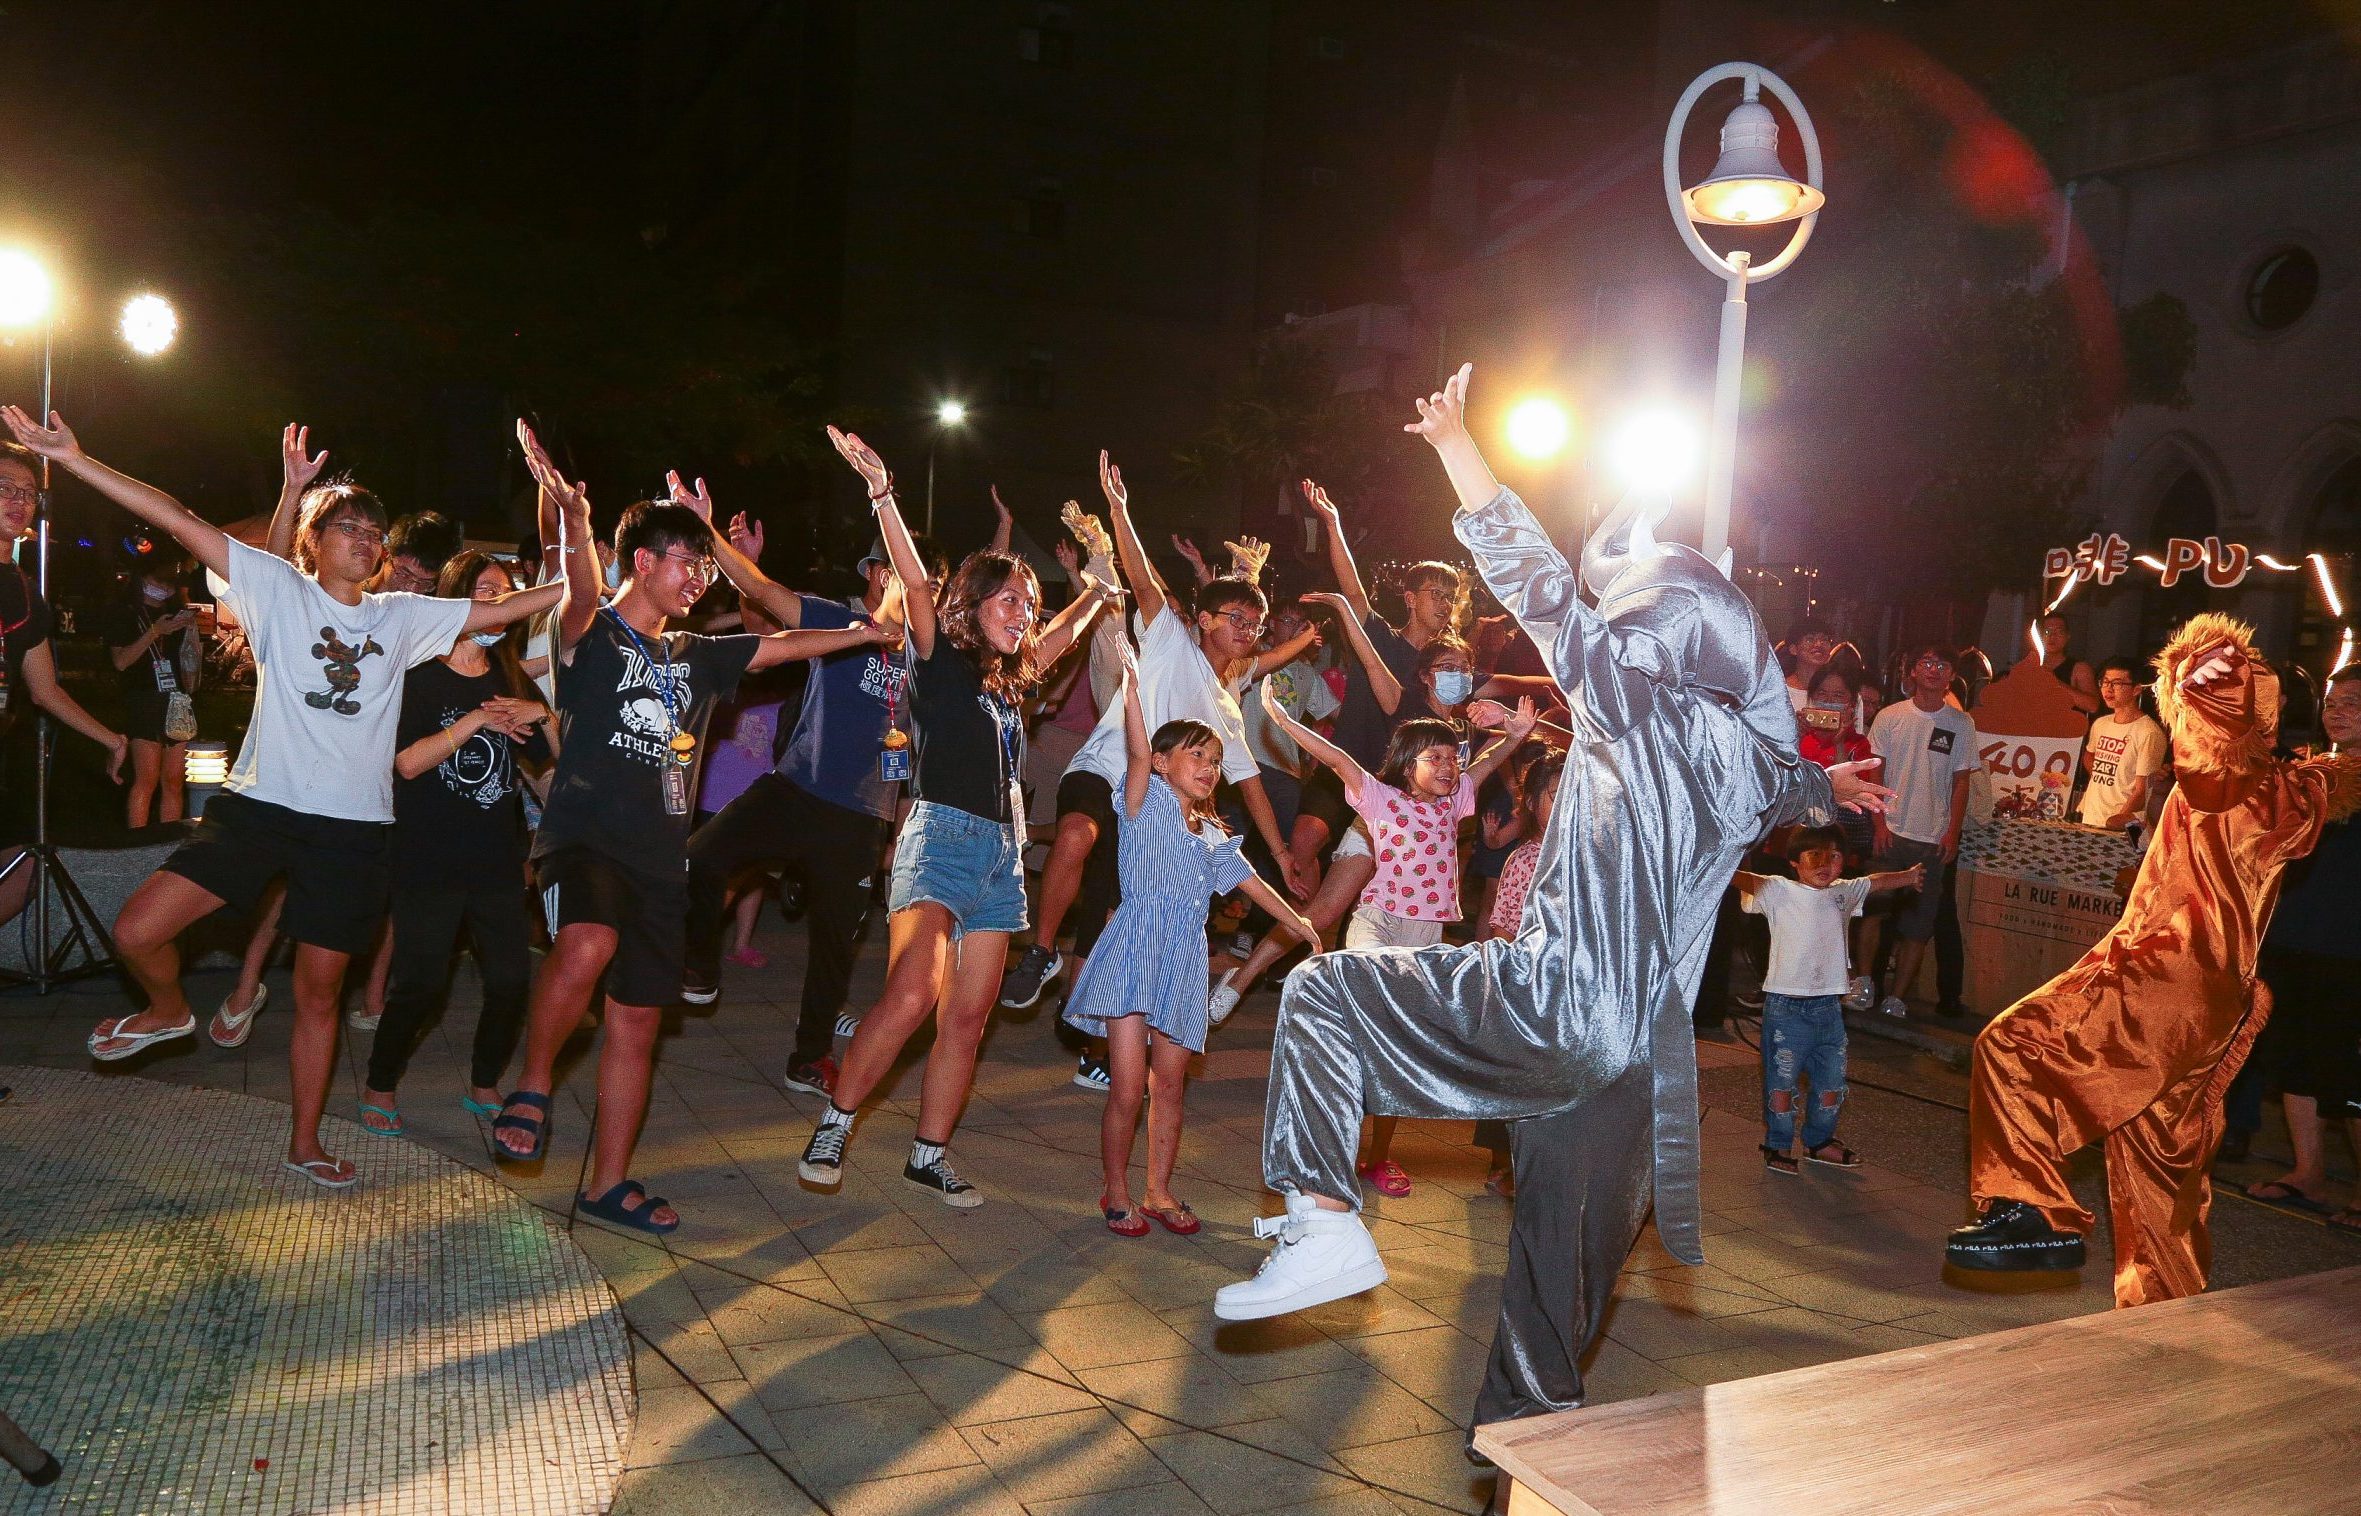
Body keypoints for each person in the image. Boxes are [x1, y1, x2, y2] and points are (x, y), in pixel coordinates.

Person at [1211, 366, 1886, 1459]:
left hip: (1563, 1002)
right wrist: (1836, 785)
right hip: (1637, 1069)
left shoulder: (1636, 703)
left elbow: (1539, 592)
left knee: (1326, 994)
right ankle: (1526, 1466)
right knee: (1552, 1305)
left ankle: (1325, 1223)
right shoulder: (1757, 766)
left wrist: (1456, 447)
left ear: (1660, 647)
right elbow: (1801, 782)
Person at [7, 406, 560, 1190]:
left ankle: (305, 1141)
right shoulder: (273, 589)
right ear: (311, 542)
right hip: (257, 809)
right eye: (348, 529)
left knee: (320, 995)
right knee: (136, 930)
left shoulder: (403, 617)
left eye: (374, 532)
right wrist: (79, 458)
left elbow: (505, 610)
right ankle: (167, 1010)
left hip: (355, 831)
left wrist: (595, 566)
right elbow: (172, 513)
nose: (366, 541)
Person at [491, 430, 902, 1233]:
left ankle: (608, 1185)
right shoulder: (591, 635)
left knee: (637, 1026)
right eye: (689, 562)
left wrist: (863, 634)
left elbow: (780, 645)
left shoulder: (695, 654)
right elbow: (578, 585)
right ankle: (533, 1081)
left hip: (659, 863)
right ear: (643, 563)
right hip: (582, 837)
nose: (699, 578)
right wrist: (574, 522)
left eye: (706, 566)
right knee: (584, 945)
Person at [1949, 619, 2360, 1300]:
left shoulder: (2225, 773)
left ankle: (2030, 1217)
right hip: (2212, 998)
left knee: (2011, 1045)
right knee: (2159, 1158)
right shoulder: (2292, 786)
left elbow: (2215, 725)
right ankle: (2164, 1309)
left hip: (2162, 976)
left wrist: (2196, 666)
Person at [795, 426, 1113, 1208]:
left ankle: (928, 1153)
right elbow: (909, 571)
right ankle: (837, 1121)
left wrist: (1101, 588)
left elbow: (1061, 638)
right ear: (973, 603)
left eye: (1029, 602)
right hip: (938, 838)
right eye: (1011, 598)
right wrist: (883, 493)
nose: (1024, 611)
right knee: (913, 992)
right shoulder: (938, 659)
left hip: (1000, 858)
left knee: (967, 1022)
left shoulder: (1010, 681)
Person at [997, 453, 1299, 1094]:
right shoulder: (1171, 642)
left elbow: (1248, 785)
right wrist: (1121, 511)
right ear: (1207, 620)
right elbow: (1142, 581)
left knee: (1109, 931)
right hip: (1103, 770)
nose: (1247, 632)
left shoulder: (1225, 710)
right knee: (1075, 832)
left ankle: (1091, 1033)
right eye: (1235, 620)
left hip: (1145, 820)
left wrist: (1279, 853)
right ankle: (1041, 951)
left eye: (1256, 624)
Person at [675, 505, 943, 1097]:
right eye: (909, 574)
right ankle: (699, 964)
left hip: (862, 818)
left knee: (834, 944)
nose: (925, 590)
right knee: (699, 856)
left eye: (934, 584)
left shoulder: (929, 658)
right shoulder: (834, 620)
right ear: (879, 576)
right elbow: (762, 592)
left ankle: (810, 1055)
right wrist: (709, 534)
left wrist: (898, 827)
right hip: (794, 789)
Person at [1064, 655, 1318, 1235]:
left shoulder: (1212, 834)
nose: (1208, 767)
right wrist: (1131, 691)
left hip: (1181, 960)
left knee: (1170, 1083)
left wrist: (1299, 922)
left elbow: (1252, 885)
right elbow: (1132, 753)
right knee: (1127, 1086)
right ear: (1161, 762)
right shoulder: (1141, 804)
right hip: (1133, 953)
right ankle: (1116, 1189)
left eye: (1215, 760)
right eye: (1195, 756)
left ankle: (1157, 1189)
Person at [1259, 682, 1540, 1196]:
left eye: (1452, 757)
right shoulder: (1381, 799)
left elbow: (1483, 762)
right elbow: (1339, 759)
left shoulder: (1453, 804)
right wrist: (1283, 720)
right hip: (1378, 920)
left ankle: (1378, 1155)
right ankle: (1332, 1130)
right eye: (1436, 758)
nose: (1450, 766)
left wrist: (1515, 736)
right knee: (1364, 1006)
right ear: (1409, 764)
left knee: (1396, 1045)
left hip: (1425, 932)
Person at [357, 551, 553, 1135]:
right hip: (427, 857)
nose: (500, 604)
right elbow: (408, 763)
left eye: (508, 593)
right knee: (421, 983)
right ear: (456, 601)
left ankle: (485, 1083)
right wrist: (473, 721)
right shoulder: (416, 673)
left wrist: (542, 716)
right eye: (486, 592)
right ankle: (380, 1084)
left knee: (511, 981)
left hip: (496, 857)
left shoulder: (511, 675)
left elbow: (541, 772)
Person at [2241, 662, 2361, 1232]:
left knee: (2348, 1071)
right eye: (2334, 701)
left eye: (2354, 703)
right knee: (2293, 1060)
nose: (2339, 710)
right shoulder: (2313, 771)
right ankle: (2307, 1170)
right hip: (2293, 936)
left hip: (2350, 946)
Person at [1734, 829, 1922, 1174]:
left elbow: (1875, 882)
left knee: (1832, 1081)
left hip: (1829, 1009)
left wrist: (1909, 876)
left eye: (1833, 857)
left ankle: (1819, 1141)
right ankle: (1777, 1144)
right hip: (1786, 1007)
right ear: (1794, 863)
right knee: (1782, 1081)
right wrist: (1725, 855)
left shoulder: (1843, 893)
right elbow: (1740, 877)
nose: (1825, 865)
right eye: (1814, 857)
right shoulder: (1778, 889)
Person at [0, 438, 130, 933]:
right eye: (4, 489)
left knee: (24, 866)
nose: (18, 502)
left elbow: (45, 690)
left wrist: (112, 739)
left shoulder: (22, 593)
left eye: (28, 493)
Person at [1863, 644, 1979, 1021]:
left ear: (1951, 675)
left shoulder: (1961, 723)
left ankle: (1897, 998)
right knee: (1873, 914)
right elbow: (1874, 772)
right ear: (1913, 670)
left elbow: (1962, 782)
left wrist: (1952, 833)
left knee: (1919, 923)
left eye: (1942, 664)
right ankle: (1863, 984)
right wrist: (1879, 822)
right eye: (1927, 663)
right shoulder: (1889, 716)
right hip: (1891, 831)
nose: (1934, 670)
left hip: (1931, 840)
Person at [102, 543, 202, 827]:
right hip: (143, 700)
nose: (164, 587)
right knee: (145, 780)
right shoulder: (124, 612)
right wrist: (155, 631)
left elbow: (191, 666)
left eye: (169, 582)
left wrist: (190, 632)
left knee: (173, 782)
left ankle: (167, 845)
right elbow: (121, 661)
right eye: (159, 580)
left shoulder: (176, 611)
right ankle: (139, 846)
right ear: (143, 578)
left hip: (177, 701)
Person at [2077, 658, 2168, 830]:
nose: (2109, 689)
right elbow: (2089, 755)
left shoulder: (2148, 732)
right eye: (2105, 682)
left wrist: (2118, 820)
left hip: (2122, 824)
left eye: (2117, 683)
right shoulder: (2101, 724)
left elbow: (2142, 790)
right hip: (2091, 815)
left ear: (2136, 689)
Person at [2037, 611, 2101, 716]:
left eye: (2059, 632)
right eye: (2047, 632)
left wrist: (2054, 682)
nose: (2052, 636)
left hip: (2065, 728)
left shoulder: (2079, 669)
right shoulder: (2032, 666)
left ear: (2067, 636)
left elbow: (2092, 705)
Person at [1781, 619, 1836, 713]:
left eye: (1824, 640)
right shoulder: (1781, 690)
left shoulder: (1844, 691)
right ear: (1793, 649)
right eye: (1810, 639)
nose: (1819, 644)